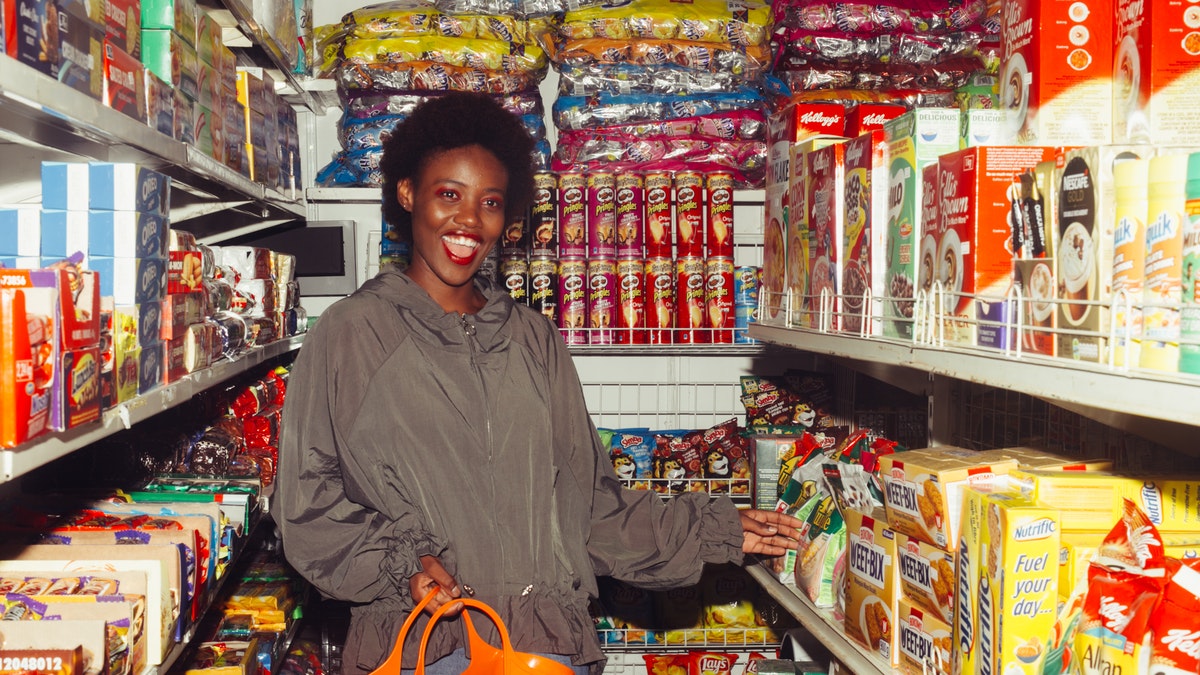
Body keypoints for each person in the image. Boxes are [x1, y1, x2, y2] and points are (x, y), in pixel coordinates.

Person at [274, 92, 803, 675]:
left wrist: (713, 528)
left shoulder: (533, 339)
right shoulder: (350, 333)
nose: (469, 221)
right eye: (449, 194)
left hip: (541, 648)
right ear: (407, 194)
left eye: (491, 202)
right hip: (423, 648)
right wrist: (402, 561)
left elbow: (591, 507)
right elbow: (306, 504)